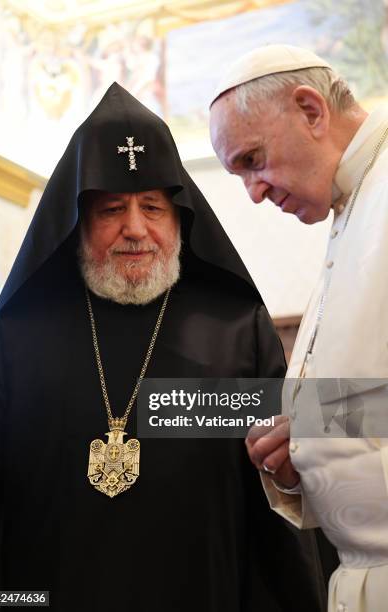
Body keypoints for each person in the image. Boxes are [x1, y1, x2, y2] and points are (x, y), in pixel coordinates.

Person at [0, 83, 325, 611]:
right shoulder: (17, 335)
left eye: (153, 208)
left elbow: (285, 481)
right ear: (77, 224)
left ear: (181, 219)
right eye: (112, 208)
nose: (135, 229)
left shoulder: (235, 329)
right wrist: (7, 602)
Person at [209, 44, 388, 612]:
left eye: (253, 160)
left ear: (311, 110)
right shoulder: (353, 206)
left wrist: (314, 426)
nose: (254, 193)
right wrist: (303, 445)